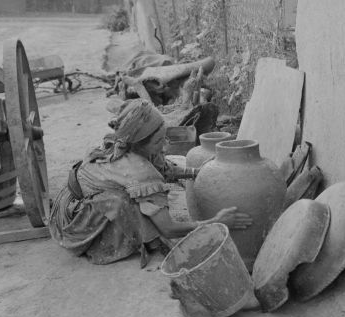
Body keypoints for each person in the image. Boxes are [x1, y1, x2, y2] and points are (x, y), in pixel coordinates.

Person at [49, 98, 252, 266]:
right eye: (158, 141)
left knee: (149, 191)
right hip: (74, 222)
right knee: (130, 206)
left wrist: (197, 172)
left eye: (165, 137)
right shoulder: (140, 171)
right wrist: (217, 221)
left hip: (78, 196)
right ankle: (106, 240)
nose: (165, 145)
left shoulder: (125, 142)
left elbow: (163, 167)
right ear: (139, 143)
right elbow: (169, 229)